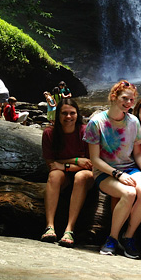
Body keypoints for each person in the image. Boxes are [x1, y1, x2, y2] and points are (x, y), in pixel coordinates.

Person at [84, 80, 141, 258]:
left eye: (131, 100)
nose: (129, 104)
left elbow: (137, 153)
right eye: (125, 99)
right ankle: (112, 238)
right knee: (129, 193)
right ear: (114, 97)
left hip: (129, 169)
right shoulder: (96, 123)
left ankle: (128, 236)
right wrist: (117, 174)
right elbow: (95, 160)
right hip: (105, 172)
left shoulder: (133, 121)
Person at [41, 98, 94, 247]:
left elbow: (90, 164)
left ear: (78, 115)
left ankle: (69, 229)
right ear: (58, 115)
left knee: (81, 176)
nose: (68, 117)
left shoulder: (85, 132)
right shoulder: (49, 133)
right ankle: (49, 226)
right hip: (64, 175)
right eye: (64, 113)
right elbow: (51, 164)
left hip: (85, 176)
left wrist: (64, 164)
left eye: (72, 113)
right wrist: (76, 160)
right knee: (54, 175)